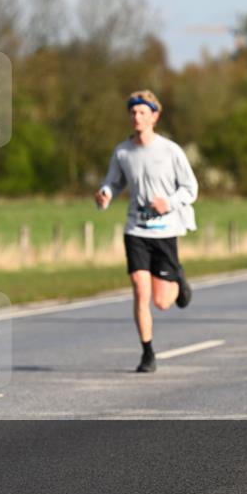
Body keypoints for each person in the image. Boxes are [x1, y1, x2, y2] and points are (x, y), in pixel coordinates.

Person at [94, 90, 197, 373]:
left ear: (155, 115)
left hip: (165, 232)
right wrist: (105, 193)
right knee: (140, 290)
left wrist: (169, 203)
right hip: (136, 230)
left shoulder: (170, 150)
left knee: (162, 302)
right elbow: (113, 183)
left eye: (142, 112)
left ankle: (178, 277)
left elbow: (191, 188)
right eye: (133, 112)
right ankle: (148, 353)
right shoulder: (123, 151)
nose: (136, 117)